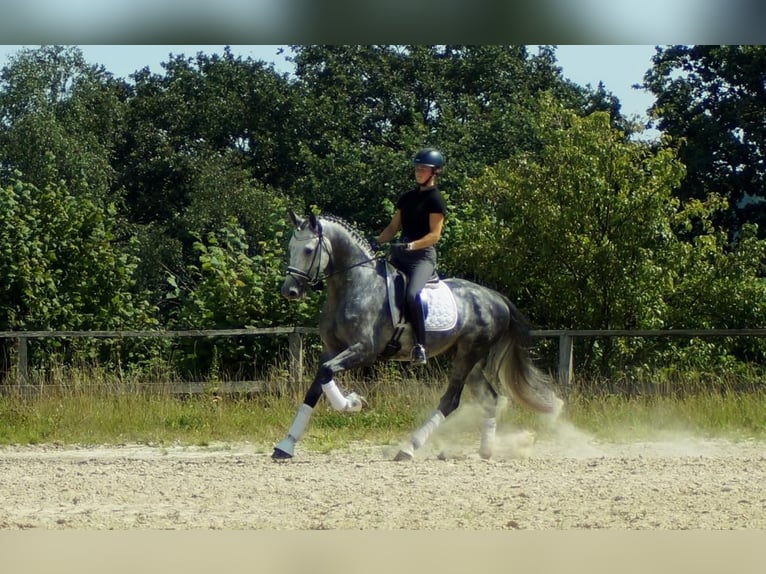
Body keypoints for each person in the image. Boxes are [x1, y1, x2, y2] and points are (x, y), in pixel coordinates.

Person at [374, 148, 447, 364]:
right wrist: (376, 241)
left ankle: (420, 346)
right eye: (416, 168)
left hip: (422, 257)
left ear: (434, 172)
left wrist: (413, 245)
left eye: (422, 168)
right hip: (400, 255)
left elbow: (434, 236)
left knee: (412, 295)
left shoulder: (436, 200)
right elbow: (393, 227)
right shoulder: (406, 198)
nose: (418, 172)